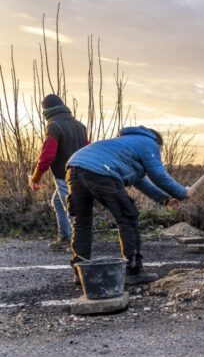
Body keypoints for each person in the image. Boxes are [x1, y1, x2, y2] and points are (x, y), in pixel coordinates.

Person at [66, 126, 194, 285]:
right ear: (158, 143)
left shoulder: (126, 144)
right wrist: (183, 192)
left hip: (75, 167)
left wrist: (165, 199)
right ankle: (134, 271)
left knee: (82, 222)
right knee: (128, 217)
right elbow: (158, 175)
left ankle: (80, 272)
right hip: (101, 171)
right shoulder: (149, 142)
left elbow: (141, 182)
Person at [28, 94, 88, 250]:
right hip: (84, 173)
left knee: (71, 209)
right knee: (57, 202)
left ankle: (77, 244)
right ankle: (65, 237)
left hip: (65, 175)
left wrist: (35, 178)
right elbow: (88, 148)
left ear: (46, 110)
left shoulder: (54, 126)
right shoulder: (80, 126)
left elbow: (47, 157)